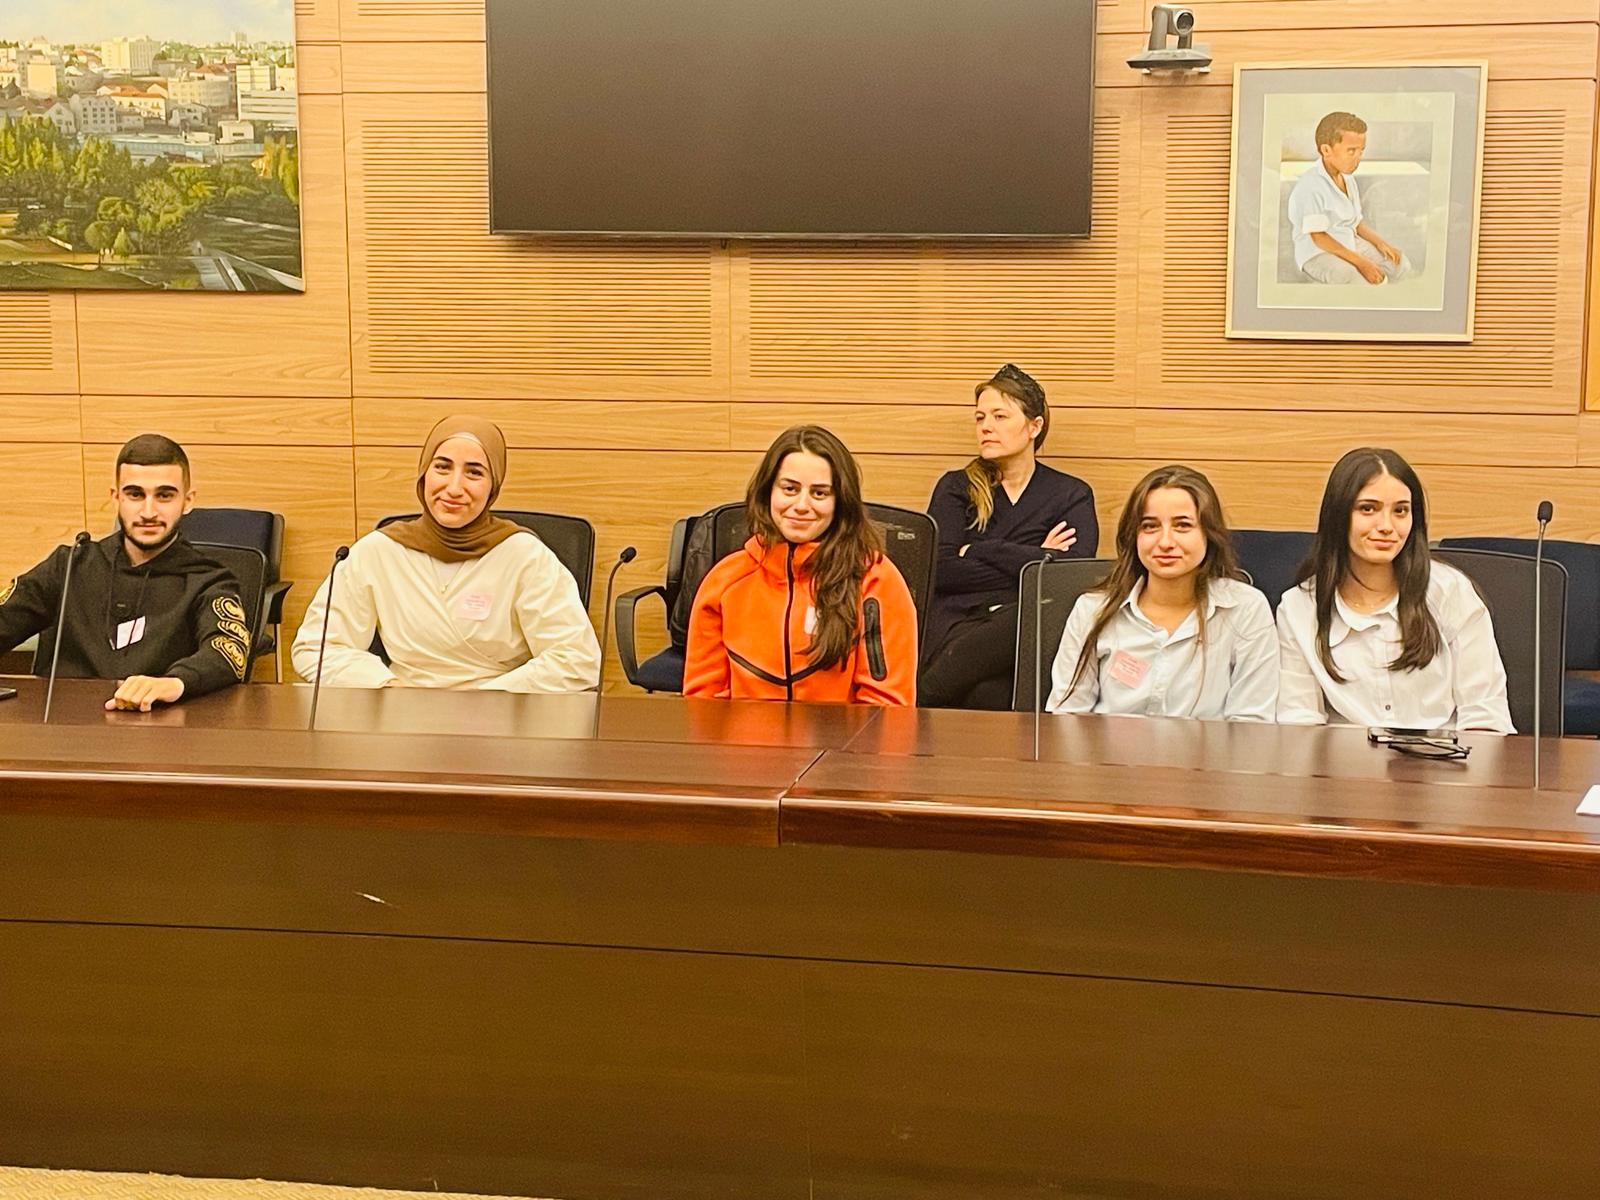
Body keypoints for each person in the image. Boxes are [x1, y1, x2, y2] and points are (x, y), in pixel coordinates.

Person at [291, 415, 600, 691]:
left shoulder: (524, 556)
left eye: (474, 473)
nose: (454, 487)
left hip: (503, 714)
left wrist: (486, 698)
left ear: (493, 486)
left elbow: (578, 659)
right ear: (424, 473)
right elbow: (315, 649)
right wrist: (389, 686)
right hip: (402, 710)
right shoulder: (378, 551)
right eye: (442, 467)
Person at [0, 433, 249, 710]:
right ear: (116, 497)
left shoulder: (209, 580)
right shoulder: (69, 565)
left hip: (161, 726)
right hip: (63, 723)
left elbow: (228, 652)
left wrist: (175, 682)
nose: (148, 512)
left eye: (164, 495)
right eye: (135, 494)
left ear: (187, 501)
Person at [1276, 447, 1512, 732]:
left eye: (1400, 511)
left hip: (1444, 756)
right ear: (1338, 515)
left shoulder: (1450, 591)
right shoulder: (1299, 607)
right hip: (1344, 759)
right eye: (1368, 509)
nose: (1387, 526)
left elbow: (1485, 716)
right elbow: (1299, 724)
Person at [683, 424, 917, 704]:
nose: (802, 505)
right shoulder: (725, 580)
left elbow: (886, 710)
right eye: (790, 489)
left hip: (843, 734)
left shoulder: (876, 579)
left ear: (840, 502)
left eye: (819, 493)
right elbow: (703, 706)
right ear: (768, 492)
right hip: (743, 733)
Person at [919, 363, 1098, 709]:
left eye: (1000, 416)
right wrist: (1035, 554)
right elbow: (940, 570)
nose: (986, 427)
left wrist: (979, 550)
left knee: (1028, 621)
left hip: (1025, 624)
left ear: (1034, 426)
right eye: (980, 417)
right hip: (958, 622)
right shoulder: (956, 487)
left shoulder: (1071, 494)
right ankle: (923, 699)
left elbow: (1067, 576)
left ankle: (919, 700)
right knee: (986, 693)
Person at [1047, 465, 1276, 721]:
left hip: (1209, 748)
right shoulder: (1092, 610)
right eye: (1150, 526)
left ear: (1208, 534)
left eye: (1183, 526)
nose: (1165, 542)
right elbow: (1067, 717)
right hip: (1108, 748)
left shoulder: (1245, 608)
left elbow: (1252, 723)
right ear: (1133, 535)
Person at [1288, 111, 1414, 286]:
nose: (1358, 158)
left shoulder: (1348, 179)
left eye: (1361, 151)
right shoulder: (1311, 185)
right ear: (1326, 150)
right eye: (1351, 151)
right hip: (1318, 252)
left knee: (1400, 265)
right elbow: (1319, 237)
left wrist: (1381, 244)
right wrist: (1361, 263)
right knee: (1357, 281)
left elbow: (1356, 223)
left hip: (1349, 243)